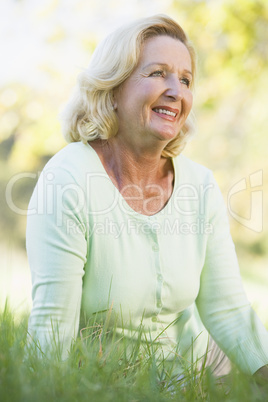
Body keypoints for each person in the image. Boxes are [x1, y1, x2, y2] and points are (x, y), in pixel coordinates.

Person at [26, 14, 268, 381]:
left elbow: (228, 309)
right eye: (158, 73)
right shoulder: (68, 178)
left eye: (186, 80)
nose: (177, 91)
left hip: (192, 383)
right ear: (114, 88)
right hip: (101, 386)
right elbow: (52, 329)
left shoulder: (200, 186)